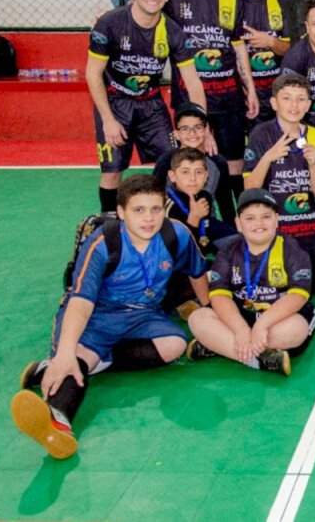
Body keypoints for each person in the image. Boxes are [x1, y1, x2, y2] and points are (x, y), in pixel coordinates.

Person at [12, 174, 209, 459]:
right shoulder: (103, 243)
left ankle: (67, 364)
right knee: (73, 359)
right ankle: (58, 421)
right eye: (138, 210)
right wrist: (66, 352)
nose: (149, 218)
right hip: (97, 313)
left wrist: (207, 308)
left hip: (144, 315)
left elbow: (197, 270)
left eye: (155, 209)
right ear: (121, 212)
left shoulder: (175, 234)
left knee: (175, 345)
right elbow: (80, 301)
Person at [87, 0, 206, 213]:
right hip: (115, 102)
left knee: (173, 164)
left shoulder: (173, 32)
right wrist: (108, 120)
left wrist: (201, 128)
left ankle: (169, 224)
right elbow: (93, 74)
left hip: (151, 104)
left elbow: (193, 82)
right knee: (112, 170)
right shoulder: (109, 24)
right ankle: (110, 224)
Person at [165, 0, 259, 206]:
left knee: (234, 162)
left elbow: (238, 45)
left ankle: (237, 222)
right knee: (191, 163)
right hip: (188, 97)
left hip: (228, 95)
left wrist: (250, 89)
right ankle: (194, 223)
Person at [186, 187, 315, 376]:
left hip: (279, 317)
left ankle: (219, 345)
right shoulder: (228, 251)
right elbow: (219, 296)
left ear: (277, 220)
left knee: (294, 331)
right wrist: (241, 329)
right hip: (244, 316)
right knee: (197, 318)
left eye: (266, 216)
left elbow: (298, 296)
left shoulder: (293, 249)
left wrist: (262, 325)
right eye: (250, 218)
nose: (259, 223)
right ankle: (257, 360)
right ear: (238, 224)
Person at [243, 73, 315, 295]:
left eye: (301, 98)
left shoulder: (314, 134)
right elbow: (248, 188)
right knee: (276, 287)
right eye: (287, 98)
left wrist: (313, 165)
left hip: (308, 228)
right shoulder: (260, 134)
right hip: (275, 230)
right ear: (274, 103)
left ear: (309, 104)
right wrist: (268, 158)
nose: (294, 105)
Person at [153, 101, 236, 225]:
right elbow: (153, 197)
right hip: (173, 226)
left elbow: (226, 205)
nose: (192, 133)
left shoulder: (217, 162)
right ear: (176, 134)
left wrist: (232, 237)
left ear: (206, 130)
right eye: (185, 129)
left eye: (198, 127)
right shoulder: (166, 161)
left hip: (207, 225)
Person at [237, 0, 293, 122]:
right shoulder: (228, 1)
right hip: (239, 93)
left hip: (276, 92)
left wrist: (271, 42)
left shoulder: (283, 2)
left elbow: (294, 50)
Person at [164, 146, 236, 248]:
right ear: (172, 176)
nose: (193, 178)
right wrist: (194, 219)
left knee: (238, 245)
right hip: (182, 257)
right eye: (185, 172)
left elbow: (209, 225)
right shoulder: (167, 205)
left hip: (204, 243)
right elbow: (174, 249)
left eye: (199, 172)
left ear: (206, 176)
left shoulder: (204, 196)